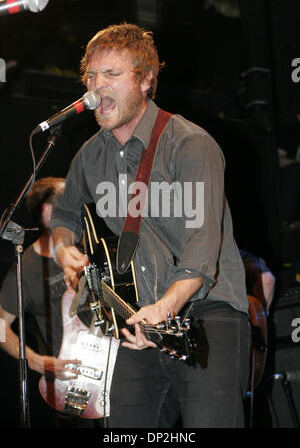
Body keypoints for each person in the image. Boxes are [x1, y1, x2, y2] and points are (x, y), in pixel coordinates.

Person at [50, 22, 251, 428]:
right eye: (91, 75)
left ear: (144, 80)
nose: (96, 86)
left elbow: (201, 245)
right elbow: (65, 216)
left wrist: (165, 307)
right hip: (138, 323)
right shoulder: (90, 156)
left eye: (112, 74)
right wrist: (62, 248)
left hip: (206, 315)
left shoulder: (188, 144)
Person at [0, 177, 100, 428]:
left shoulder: (89, 244)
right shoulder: (24, 269)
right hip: (76, 385)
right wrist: (35, 361)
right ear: (47, 213)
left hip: (120, 370)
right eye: (70, 201)